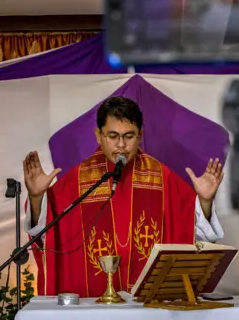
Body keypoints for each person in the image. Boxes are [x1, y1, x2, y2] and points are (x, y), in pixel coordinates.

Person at [24, 97, 225, 297]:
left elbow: (193, 234)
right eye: (113, 136)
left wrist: (205, 201)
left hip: (148, 304)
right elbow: (47, 233)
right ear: (98, 135)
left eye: (129, 136)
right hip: (92, 304)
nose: (121, 145)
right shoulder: (77, 180)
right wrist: (36, 197)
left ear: (140, 136)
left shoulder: (162, 178)